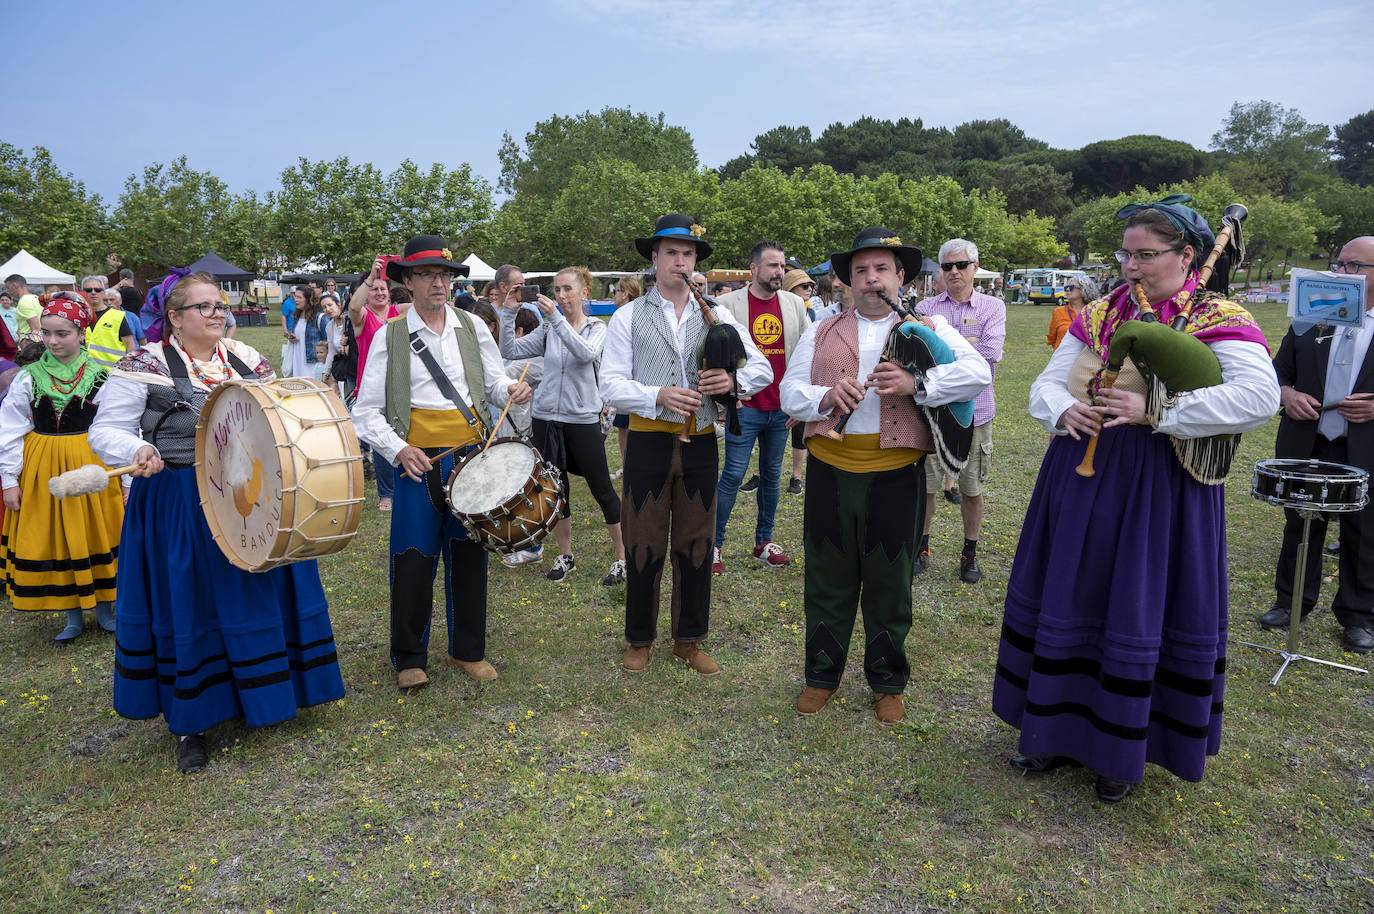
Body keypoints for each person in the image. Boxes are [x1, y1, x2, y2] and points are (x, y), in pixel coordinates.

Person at [991, 197, 1278, 802]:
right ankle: (1051, 733)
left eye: (1146, 255)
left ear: (1187, 256)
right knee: (1071, 594)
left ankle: (1121, 754)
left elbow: (1258, 398)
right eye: (1126, 253)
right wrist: (1060, 406)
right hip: (1080, 470)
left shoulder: (1217, 315)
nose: (1131, 266)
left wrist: (1160, 412)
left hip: (1162, 484)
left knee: (1136, 606)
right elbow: (1047, 382)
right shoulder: (1101, 312)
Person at [88, 271, 345, 773]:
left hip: (252, 492)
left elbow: (280, 414)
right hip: (181, 498)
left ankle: (269, 695)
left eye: (220, 305)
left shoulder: (247, 359)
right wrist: (137, 447)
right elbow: (106, 431)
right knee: (192, 602)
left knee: (257, 587)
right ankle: (193, 721)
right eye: (204, 307)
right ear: (175, 318)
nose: (217, 313)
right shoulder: (142, 366)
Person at [780, 227, 990, 724]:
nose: (871, 279)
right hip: (831, 469)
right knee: (827, 577)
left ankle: (887, 681)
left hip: (897, 474)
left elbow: (978, 373)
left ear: (901, 277)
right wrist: (827, 397)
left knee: (889, 581)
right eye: (860, 271)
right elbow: (790, 393)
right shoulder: (822, 329)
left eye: (881, 270)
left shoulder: (930, 325)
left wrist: (919, 383)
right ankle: (821, 676)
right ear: (847, 280)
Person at [351, 236, 531, 690]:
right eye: (428, 275)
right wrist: (397, 450)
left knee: (469, 556)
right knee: (413, 558)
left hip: (473, 459)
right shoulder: (390, 335)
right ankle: (409, 657)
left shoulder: (471, 326)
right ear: (407, 282)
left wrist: (511, 390)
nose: (439, 283)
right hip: (417, 464)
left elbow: (492, 383)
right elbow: (365, 409)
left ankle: (467, 650)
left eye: (445, 275)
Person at [599, 214, 771, 675]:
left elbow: (762, 371)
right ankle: (639, 638)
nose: (680, 261)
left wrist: (729, 381)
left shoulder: (719, 315)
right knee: (643, 543)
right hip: (649, 441)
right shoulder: (628, 316)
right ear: (653, 259)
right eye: (671, 252)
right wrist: (656, 394)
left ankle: (689, 640)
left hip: (699, 443)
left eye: (688, 254)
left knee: (696, 544)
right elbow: (609, 385)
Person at [1260, 236, 1374, 653]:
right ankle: (1290, 603)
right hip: (1308, 441)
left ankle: (1359, 617)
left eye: (1354, 267)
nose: (1341, 275)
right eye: (1339, 265)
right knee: (1302, 524)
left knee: (1365, 533)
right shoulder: (1314, 315)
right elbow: (1278, 372)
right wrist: (1287, 394)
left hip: (1364, 446)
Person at [0, 293, 123, 644]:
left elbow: (120, 426)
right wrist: (9, 480)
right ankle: (72, 614)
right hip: (44, 469)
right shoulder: (28, 377)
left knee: (97, 530)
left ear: (81, 332)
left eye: (63, 333)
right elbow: (8, 430)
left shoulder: (103, 375)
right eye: (48, 333)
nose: (53, 341)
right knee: (59, 536)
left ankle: (105, 610)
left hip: (93, 462)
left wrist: (126, 479)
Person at [498, 266, 626, 584]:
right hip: (546, 420)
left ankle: (624, 558)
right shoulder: (547, 331)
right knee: (557, 491)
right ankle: (566, 555)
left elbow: (585, 355)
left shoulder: (597, 328)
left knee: (602, 489)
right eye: (556, 290)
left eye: (567, 289)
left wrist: (555, 318)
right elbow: (509, 350)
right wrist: (507, 314)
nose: (560, 296)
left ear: (585, 293)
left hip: (581, 420)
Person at [711, 242, 809, 574]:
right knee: (733, 475)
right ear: (753, 269)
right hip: (745, 407)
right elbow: (713, 353)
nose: (779, 272)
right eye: (772, 266)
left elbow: (806, 355)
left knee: (771, 476)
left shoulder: (796, 304)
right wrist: (727, 396)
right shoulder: (727, 304)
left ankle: (763, 543)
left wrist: (801, 403)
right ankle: (714, 545)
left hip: (781, 408)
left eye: (782, 266)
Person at [913, 239, 1006, 584]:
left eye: (961, 265)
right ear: (940, 270)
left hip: (976, 412)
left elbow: (991, 352)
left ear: (975, 268)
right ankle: (921, 549)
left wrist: (945, 344)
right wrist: (965, 350)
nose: (954, 271)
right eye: (948, 266)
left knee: (971, 489)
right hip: (933, 413)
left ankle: (970, 553)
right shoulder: (925, 305)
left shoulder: (993, 306)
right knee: (927, 488)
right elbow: (921, 357)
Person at [347, 255, 403, 511]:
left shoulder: (399, 313)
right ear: (368, 293)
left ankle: (404, 487)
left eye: (383, 288)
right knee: (380, 442)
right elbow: (353, 307)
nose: (379, 292)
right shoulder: (363, 317)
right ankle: (387, 494)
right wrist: (371, 278)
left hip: (400, 386)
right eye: (375, 289)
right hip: (371, 387)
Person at [607, 277, 641, 480]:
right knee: (623, 426)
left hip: (631, 379)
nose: (614, 295)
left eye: (615, 291)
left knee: (633, 427)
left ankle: (633, 467)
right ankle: (627, 466)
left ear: (625, 293)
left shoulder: (629, 315)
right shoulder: (623, 314)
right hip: (624, 379)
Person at [86, 287, 136, 370]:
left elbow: (134, 344)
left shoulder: (125, 317)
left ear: (120, 301)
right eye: (106, 300)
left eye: (112, 300)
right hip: (89, 372)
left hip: (113, 372)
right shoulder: (85, 316)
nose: (109, 303)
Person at [1047, 276, 1100, 350]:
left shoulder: (1095, 312)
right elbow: (1053, 340)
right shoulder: (1058, 312)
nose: (1068, 289)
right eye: (1066, 287)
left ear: (1084, 290)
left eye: (1072, 287)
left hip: (1087, 359)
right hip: (1063, 359)